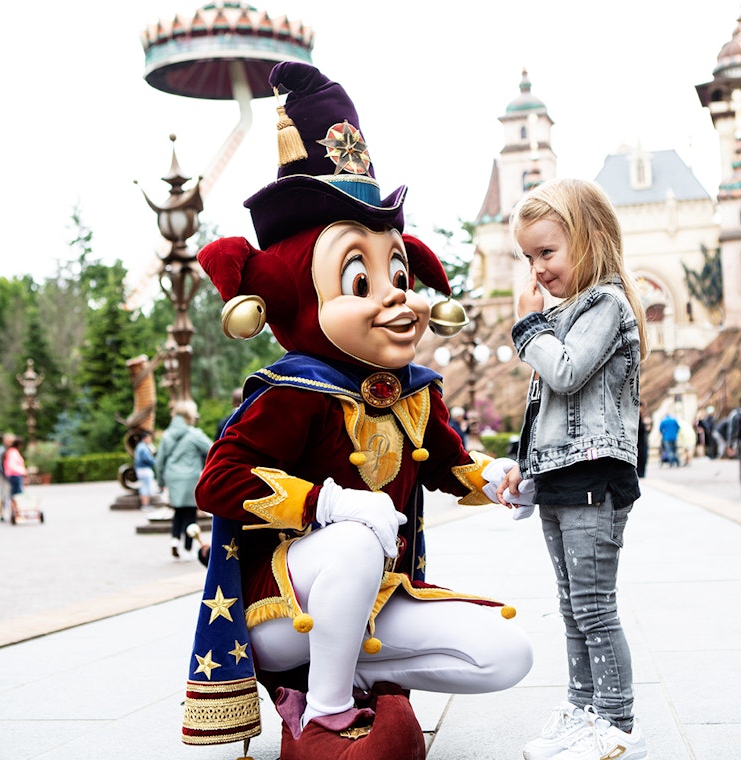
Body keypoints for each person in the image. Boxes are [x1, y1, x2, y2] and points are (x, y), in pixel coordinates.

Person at [183, 62, 531, 759]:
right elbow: (215, 483)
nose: (397, 296)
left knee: (505, 654)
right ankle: (323, 713)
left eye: (398, 273)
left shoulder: (412, 391)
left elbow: (453, 464)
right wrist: (327, 508)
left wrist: (500, 478)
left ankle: (363, 683)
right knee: (353, 540)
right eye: (359, 277)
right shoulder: (292, 392)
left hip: (376, 596)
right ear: (295, 296)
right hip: (285, 609)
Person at [497, 177, 649, 760]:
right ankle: (583, 708)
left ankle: (616, 722)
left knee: (594, 606)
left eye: (547, 252)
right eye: (528, 257)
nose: (536, 270)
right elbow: (548, 410)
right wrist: (523, 468)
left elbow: (563, 372)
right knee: (570, 606)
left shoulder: (607, 305)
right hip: (564, 479)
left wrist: (529, 327)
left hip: (595, 479)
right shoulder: (568, 313)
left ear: (587, 239)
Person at [155, 400, 213, 560]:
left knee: (178, 512)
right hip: (190, 478)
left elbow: (159, 462)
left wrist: (160, 482)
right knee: (189, 513)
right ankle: (188, 548)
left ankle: (174, 540)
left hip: (172, 478)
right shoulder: (194, 434)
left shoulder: (167, 436)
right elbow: (213, 448)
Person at [3, 438, 27, 520]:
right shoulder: (13, 453)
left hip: (14, 475)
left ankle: (16, 513)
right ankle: (16, 513)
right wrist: (23, 471)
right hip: (14, 475)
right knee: (16, 495)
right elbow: (12, 465)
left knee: (15, 495)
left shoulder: (11, 452)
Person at [133, 430, 156, 510]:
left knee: (143, 487)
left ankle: (144, 504)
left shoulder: (140, 446)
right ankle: (146, 504)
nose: (150, 440)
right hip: (145, 469)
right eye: (149, 438)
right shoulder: (144, 448)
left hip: (140, 470)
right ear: (145, 438)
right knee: (147, 487)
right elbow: (148, 459)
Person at [0, 431, 14, 523]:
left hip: (10, 475)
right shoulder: (1, 451)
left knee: (11, 495)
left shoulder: (11, 450)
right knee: (3, 495)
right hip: (3, 476)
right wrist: (5, 474)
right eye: (10, 441)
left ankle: (11, 513)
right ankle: (1, 514)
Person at [635, 404, 651, 478]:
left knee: (643, 458)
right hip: (639, 442)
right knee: (641, 458)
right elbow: (639, 429)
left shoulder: (642, 416)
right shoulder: (637, 416)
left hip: (643, 441)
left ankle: (641, 474)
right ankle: (640, 474)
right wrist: (645, 425)